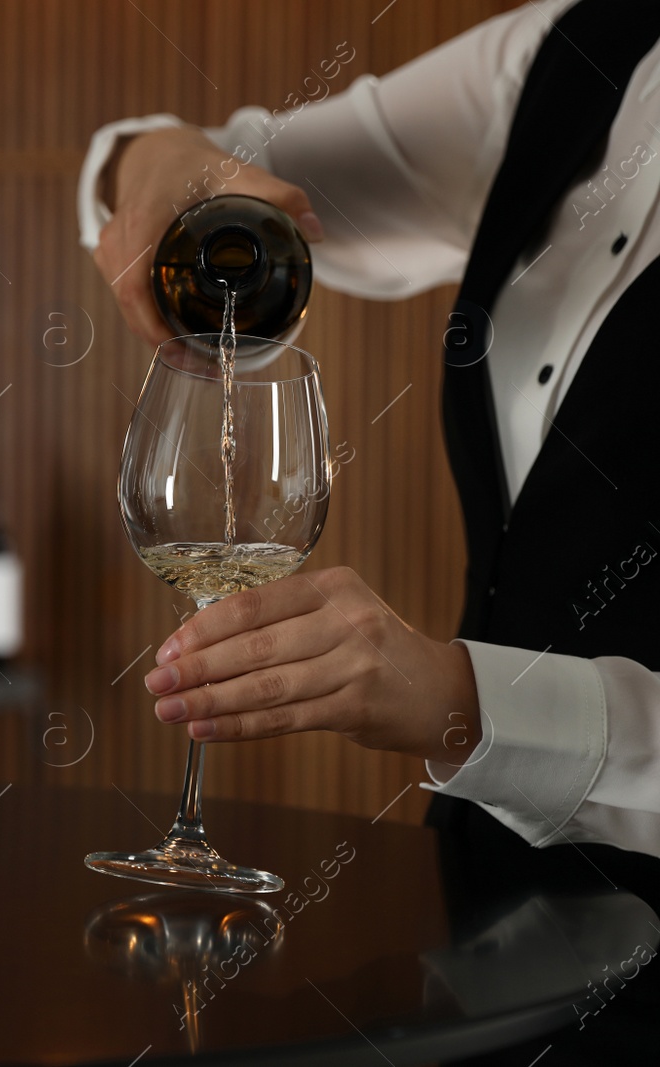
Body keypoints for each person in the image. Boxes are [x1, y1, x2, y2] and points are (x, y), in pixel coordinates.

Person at [80, 0, 660, 866]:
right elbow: (218, 163)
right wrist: (163, 162)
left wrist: (462, 699)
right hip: (480, 904)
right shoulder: (584, 47)